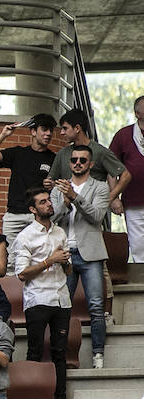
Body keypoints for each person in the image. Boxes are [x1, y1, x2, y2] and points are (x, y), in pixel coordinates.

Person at [52, 145, 111, 371]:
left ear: (91, 164)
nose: (78, 163)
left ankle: (98, 354)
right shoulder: (59, 188)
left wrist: (75, 197)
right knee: (62, 308)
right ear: (69, 163)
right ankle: (62, 355)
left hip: (91, 253)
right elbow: (53, 219)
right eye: (74, 160)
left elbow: (96, 217)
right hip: (64, 253)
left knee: (96, 306)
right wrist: (66, 202)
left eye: (82, 160)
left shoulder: (100, 187)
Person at [15, 188, 74, 399]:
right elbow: (21, 274)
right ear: (33, 209)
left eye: (49, 200)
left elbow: (68, 271)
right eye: (43, 202)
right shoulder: (25, 236)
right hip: (38, 299)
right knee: (35, 351)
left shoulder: (60, 232)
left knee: (60, 352)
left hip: (62, 299)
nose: (49, 204)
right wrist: (50, 261)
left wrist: (65, 262)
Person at [0, 113, 57, 251]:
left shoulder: (54, 158)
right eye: (44, 129)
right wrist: (3, 135)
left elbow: (62, 185)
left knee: (39, 257)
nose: (48, 134)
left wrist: (53, 185)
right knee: (11, 260)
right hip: (14, 216)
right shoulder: (18, 153)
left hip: (38, 216)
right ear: (33, 131)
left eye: (51, 130)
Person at [107, 95, 144, 262]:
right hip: (134, 200)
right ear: (137, 113)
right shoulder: (123, 135)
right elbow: (110, 169)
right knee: (137, 244)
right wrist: (114, 198)